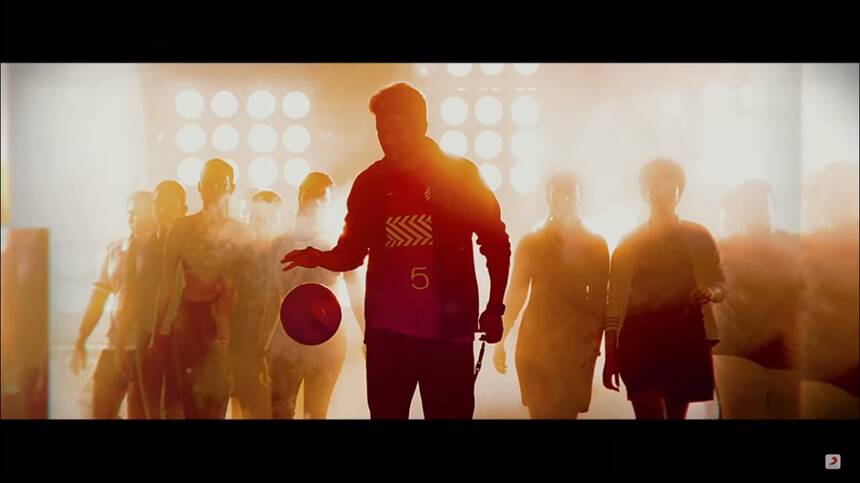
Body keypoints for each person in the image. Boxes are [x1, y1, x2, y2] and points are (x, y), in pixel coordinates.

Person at [281, 82, 511, 419]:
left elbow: (496, 242)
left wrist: (495, 307)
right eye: (381, 132)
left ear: (422, 126)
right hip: (388, 338)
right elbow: (352, 252)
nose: (388, 140)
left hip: (448, 336)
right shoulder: (370, 184)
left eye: (398, 132)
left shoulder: (459, 176)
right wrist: (320, 257)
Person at [602, 159, 727, 420]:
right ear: (644, 191)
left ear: (679, 191)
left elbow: (720, 283)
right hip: (639, 343)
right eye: (653, 183)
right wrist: (610, 354)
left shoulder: (699, 236)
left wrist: (710, 292)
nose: (660, 191)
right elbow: (614, 301)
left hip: (685, 340)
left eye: (668, 185)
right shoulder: (628, 244)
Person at [494, 173, 608, 419]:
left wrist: (593, 346)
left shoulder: (594, 245)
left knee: (565, 412)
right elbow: (515, 294)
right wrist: (500, 339)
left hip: (574, 344)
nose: (564, 201)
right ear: (549, 199)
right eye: (558, 195)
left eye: (570, 195)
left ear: (578, 199)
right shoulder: (531, 243)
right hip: (536, 341)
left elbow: (600, 302)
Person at [264, 174, 364, 419]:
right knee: (281, 412)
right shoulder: (280, 243)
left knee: (316, 414)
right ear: (300, 197)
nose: (314, 203)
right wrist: (263, 345)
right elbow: (271, 297)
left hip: (327, 338)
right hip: (287, 336)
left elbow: (355, 291)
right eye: (310, 196)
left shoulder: (339, 243)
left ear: (330, 204)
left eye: (321, 198)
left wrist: (367, 333)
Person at [152, 159, 243, 419]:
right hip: (189, 325)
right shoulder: (181, 227)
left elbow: (246, 289)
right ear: (199, 186)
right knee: (189, 404)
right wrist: (158, 332)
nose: (213, 189)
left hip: (227, 328)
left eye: (220, 183)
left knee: (217, 405)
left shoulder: (240, 233)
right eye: (208, 182)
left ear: (231, 188)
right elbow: (166, 281)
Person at [712, 179, 803, 419]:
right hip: (736, 352)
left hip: (784, 354)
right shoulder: (723, 248)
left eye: (761, 203)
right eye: (749, 205)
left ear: (772, 207)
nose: (756, 210)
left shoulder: (795, 245)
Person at [70, 191, 155, 419]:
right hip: (114, 343)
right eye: (131, 212)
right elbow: (98, 298)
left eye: (142, 212)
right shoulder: (115, 250)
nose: (135, 218)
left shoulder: (161, 249)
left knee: (139, 412)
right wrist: (81, 338)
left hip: (145, 348)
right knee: (96, 408)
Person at [799, 162, 859, 419]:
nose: (839, 198)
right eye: (832, 191)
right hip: (821, 377)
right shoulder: (808, 247)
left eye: (846, 190)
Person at [125, 180, 187, 419]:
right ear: (152, 208)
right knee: (149, 407)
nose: (165, 211)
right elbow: (130, 296)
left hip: (182, 339)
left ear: (183, 209)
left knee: (176, 408)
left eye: (172, 205)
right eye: (160, 204)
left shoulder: (191, 246)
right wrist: (123, 344)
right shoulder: (138, 245)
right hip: (146, 339)